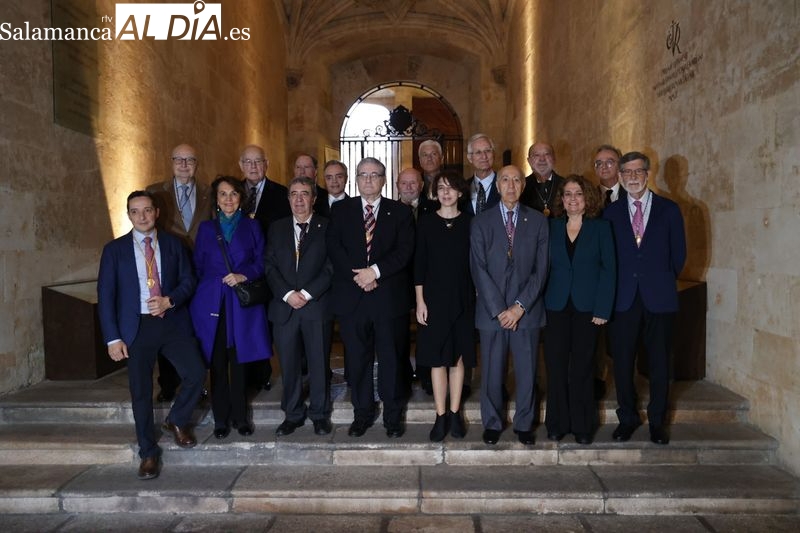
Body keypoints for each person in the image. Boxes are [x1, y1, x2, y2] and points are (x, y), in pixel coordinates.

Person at [97, 191, 205, 480]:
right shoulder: (114, 250)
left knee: (196, 373)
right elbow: (106, 297)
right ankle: (148, 453)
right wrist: (112, 338)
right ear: (129, 215)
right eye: (135, 211)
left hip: (171, 322)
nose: (142, 216)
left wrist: (170, 300)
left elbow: (189, 280)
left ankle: (177, 420)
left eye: (147, 210)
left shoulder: (174, 244)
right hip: (136, 328)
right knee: (141, 393)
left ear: (156, 212)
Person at [326, 157, 415, 438]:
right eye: (363, 174)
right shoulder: (341, 210)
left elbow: (405, 251)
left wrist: (374, 272)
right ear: (356, 178)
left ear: (384, 179)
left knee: (391, 358)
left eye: (374, 175)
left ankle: (392, 415)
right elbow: (334, 247)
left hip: (387, 297)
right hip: (353, 298)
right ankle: (362, 414)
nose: (368, 180)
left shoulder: (399, 212)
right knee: (357, 359)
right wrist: (359, 276)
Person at [603, 151, 686, 445]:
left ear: (648, 174)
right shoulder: (610, 213)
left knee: (660, 362)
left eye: (638, 172)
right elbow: (608, 257)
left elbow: (679, 256)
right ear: (620, 176)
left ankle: (658, 422)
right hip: (623, 299)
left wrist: (659, 280)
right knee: (623, 363)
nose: (632, 177)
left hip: (659, 298)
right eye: (626, 172)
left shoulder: (669, 210)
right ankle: (627, 417)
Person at [470, 165, 548, 445]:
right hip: (492, 313)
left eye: (517, 180)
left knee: (527, 371)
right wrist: (500, 310)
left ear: (523, 186)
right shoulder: (481, 221)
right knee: (491, 371)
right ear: (498, 185)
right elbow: (478, 268)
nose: (511, 185)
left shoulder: (538, 221)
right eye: (505, 180)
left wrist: (518, 307)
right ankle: (492, 421)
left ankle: (525, 423)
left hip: (526, 312)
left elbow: (542, 270)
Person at [190, 176, 272, 438]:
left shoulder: (252, 226)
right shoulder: (205, 229)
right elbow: (198, 265)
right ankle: (220, 420)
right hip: (211, 302)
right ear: (216, 199)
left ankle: (241, 417)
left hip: (241, 302)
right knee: (216, 362)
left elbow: (262, 262)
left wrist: (243, 275)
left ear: (241, 198)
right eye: (223, 194)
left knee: (239, 361)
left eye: (233, 194)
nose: (228, 199)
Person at [543, 175, 616, 445]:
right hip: (555, 306)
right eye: (568, 194)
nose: (573, 199)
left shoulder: (601, 228)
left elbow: (609, 271)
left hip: (589, 308)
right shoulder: (551, 227)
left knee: (584, 368)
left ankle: (583, 425)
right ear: (561, 199)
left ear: (588, 199)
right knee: (556, 365)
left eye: (578, 194)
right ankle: (557, 423)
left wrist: (603, 308)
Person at [265, 177, 334, 436]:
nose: (298, 199)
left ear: (314, 198)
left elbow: (331, 267)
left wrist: (305, 293)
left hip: (315, 307)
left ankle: (319, 414)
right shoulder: (277, 228)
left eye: (304, 194)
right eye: (293, 194)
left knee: (318, 363)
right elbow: (269, 266)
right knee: (289, 365)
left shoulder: (326, 227)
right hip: (285, 309)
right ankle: (292, 414)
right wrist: (286, 294)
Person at [145, 143, 211, 403]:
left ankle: (198, 382)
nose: (184, 165)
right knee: (168, 323)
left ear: (197, 164)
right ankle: (168, 383)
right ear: (171, 162)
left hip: (200, 267)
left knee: (197, 327)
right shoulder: (155, 192)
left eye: (190, 160)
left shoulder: (208, 193)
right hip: (169, 267)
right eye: (179, 159)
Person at [414, 171, 475, 441]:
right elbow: (419, 265)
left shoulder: (472, 223)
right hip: (434, 300)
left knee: (458, 357)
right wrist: (419, 301)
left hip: (463, 298)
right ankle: (439, 415)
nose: (446, 193)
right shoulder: (426, 223)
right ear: (435, 193)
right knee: (437, 359)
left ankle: (454, 413)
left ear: (460, 193)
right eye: (441, 188)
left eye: (451, 188)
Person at [239, 144, 290, 392]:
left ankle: (263, 373)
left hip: (271, 270)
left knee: (266, 324)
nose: (253, 166)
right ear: (241, 165)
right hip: (239, 272)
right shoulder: (230, 192)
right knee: (245, 323)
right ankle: (246, 375)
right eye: (248, 162)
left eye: (258, 161)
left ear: (266, 164)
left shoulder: (282, 194)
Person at [520, 142, 564, 217]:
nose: (542, 159)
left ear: (554, 159)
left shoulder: (565, 184)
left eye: (547, 154)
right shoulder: (521, 186)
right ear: (529, 161)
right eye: (537, 155)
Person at [464, 133, 500, 216]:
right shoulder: (463, 188)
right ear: (470, 158)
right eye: (478, 152)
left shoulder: (506, 184)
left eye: (487, 151)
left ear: (493, 154)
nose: (484, 156)